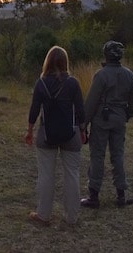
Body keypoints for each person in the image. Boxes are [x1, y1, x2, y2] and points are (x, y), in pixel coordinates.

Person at [24, 46, 86, 227]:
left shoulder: (41, 83)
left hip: (47, 134)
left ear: (48, 62)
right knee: (72, 175)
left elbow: (34, 111)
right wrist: (83, 131)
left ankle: (43, 215)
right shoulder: (73, 83)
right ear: (65, 62)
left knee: (46, 175)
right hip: (71, 133)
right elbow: (81, 111)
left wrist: (29, 131)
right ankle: (72, 218)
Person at [81, 40, 133, 209]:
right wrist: (124, 115)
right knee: (118, 155)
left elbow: (91, 102)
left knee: (97, 156)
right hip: (119, 119)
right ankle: (121, 194)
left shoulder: (101, 75)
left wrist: (83, 123)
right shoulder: (129, 75)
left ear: (106, 54)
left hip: (101, 120)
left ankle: (94, 195)